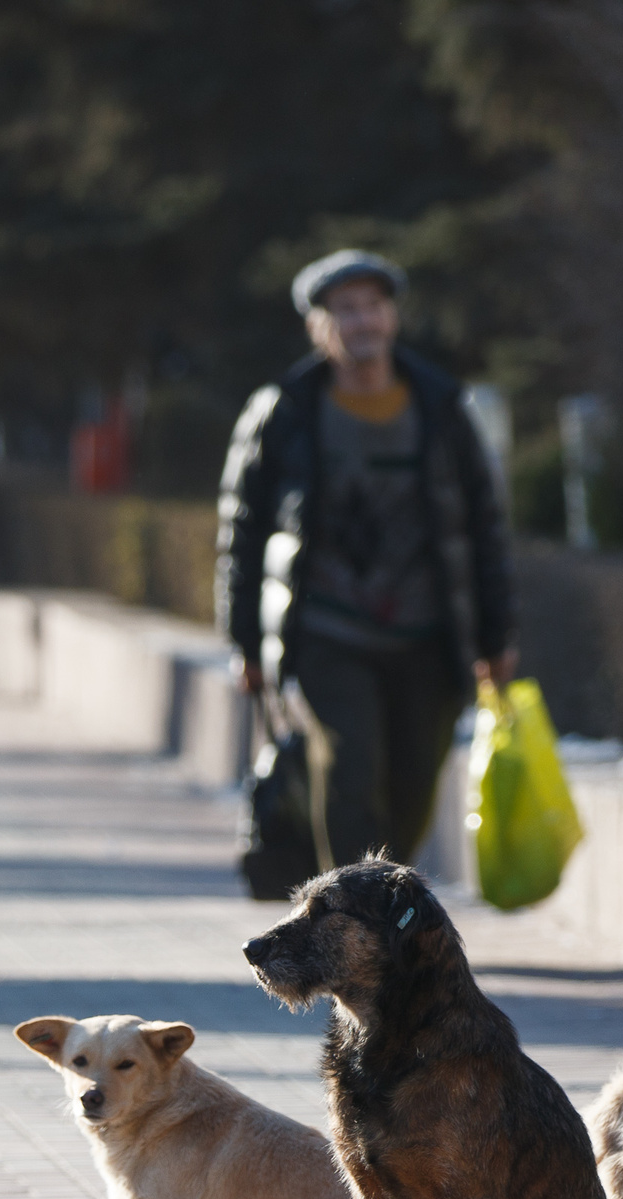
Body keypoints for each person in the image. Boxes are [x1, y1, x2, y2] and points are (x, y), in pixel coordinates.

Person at [216, 248, 515, 872]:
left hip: (428, 636)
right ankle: (353, 929)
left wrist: (497, 632)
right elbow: (242, 528)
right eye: (345, 310)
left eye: (373, 306)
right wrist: (244, 639)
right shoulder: (286, 412)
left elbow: (484, 524)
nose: (363, 322)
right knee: (348, 767)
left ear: (393, 318)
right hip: (329, 630)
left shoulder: (440, 409)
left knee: (411, 789)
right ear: (318, 327)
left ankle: (378, 913)